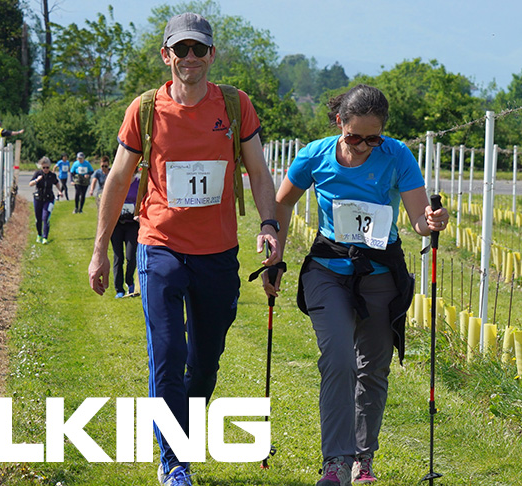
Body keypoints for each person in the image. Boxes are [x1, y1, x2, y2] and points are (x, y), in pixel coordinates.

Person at [86, 12, 280, 486]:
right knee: (168, 354)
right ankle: (174, 460)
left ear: (211, 55)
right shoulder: (145, 109)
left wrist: (270, 224)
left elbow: (257, 172)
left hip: (218, 253)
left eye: (199, 49)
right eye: (181, 49)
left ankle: (182, 434)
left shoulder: (235, 106)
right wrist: (98, 251)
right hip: (161, 247)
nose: (189, 58)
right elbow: (117, 179)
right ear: (166, 54)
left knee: (205, 361)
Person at [270, 84, 449, 486]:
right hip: (328, 270)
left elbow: (419, 218)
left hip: (381, 273)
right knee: (339, 360)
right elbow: (283, 201)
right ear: (339, 124)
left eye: (373, 138)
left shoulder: (397, 154)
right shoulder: (314, 155)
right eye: (355, 137)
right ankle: (335, 462)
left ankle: (362, 459)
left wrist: (431, 223)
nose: (364, 146)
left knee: (373, 369)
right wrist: (275, 253)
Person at [110, 176, 140, 298]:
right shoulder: (116, 180)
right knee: (118, 257)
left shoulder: (138, 182)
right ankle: (119, 289)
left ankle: (129, 282)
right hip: (116, 225)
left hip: (132, 225)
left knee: (131, 256)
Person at [28, 156, 63, 244]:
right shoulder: (38, 173)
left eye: (47, 167)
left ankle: (45, 237)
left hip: (49, 199)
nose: (46, 169)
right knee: (38, 219)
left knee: (45, 218)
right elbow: (30, 184)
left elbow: (57, 182)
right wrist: (37, 180)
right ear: (41, 167)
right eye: (44, 167)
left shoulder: (52, 175)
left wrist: (59, 191)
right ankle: (39, 234)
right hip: (38, 198)